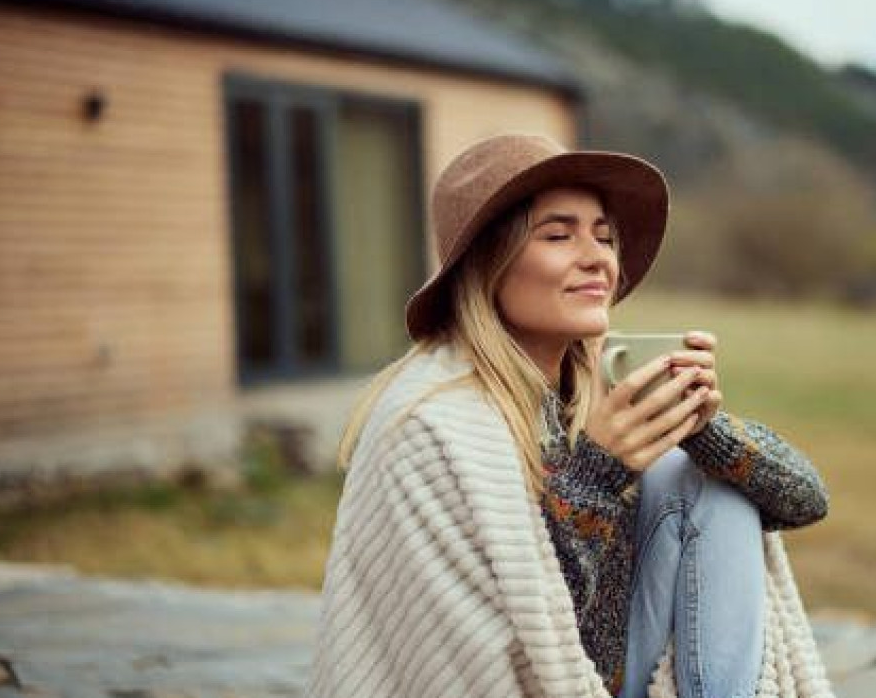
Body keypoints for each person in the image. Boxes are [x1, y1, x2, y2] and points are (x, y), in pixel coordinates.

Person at [306, 134, 834, 698]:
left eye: (604, 237)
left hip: (606, 677)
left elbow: (805, 502)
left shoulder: (591, 393)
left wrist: (703, 428)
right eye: (558, 235)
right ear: (487, 263)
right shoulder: (434, 424)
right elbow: (520, 644)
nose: (597, 258)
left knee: (714, 488)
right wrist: (596, 475)